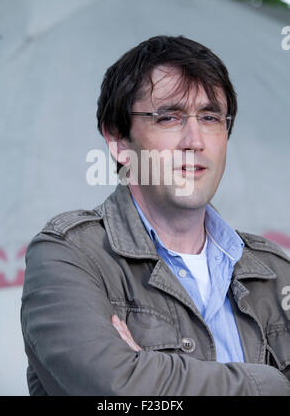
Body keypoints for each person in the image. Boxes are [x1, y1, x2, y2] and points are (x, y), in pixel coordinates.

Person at [21, 35, 290, 396]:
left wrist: (151, 376)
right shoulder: (68, 255)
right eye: (169, 117)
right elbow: (115, 392)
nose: (194, 140)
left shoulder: (275, 270)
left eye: (210, 117)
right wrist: (271, 385)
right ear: (119, 141)